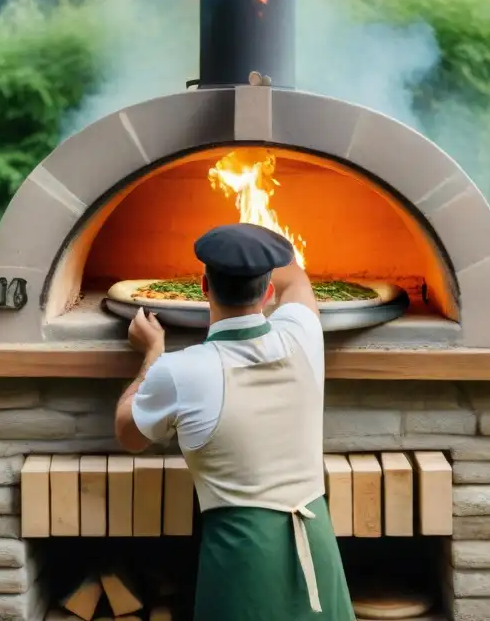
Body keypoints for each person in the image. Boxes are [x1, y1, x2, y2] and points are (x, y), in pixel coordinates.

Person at [113, 223, 356, 620]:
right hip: (317, 548)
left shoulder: (180, 371)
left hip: (241, 559)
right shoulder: (304, 336)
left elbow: (128, 433)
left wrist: (152, 351)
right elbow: (296, 277)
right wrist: (258, 248)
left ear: (204, 286)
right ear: (268, 292)